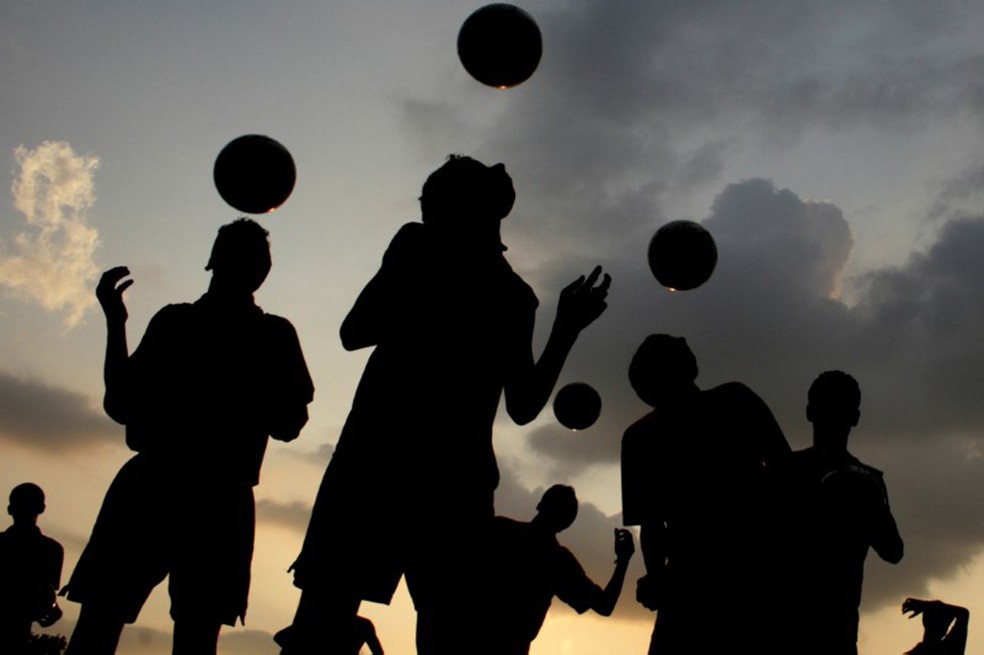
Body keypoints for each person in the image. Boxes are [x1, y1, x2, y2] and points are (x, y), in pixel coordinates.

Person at [279, 155, 610, 655]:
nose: (427, 212)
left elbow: (354, 330)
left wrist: (562, 327)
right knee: (448, 633)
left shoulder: (420, 247)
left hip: (377, 463)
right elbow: (522, 406)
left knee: (324, 624)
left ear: (454, 208)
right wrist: (565, 329)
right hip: (452, 483)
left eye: (432, 203)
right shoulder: (512, 296)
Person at [64, 218, 314, 655]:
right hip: (212, 499)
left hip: (163, 488)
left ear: (212, 262)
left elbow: (120, 404)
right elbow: (290, 424)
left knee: (99, 628)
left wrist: (115, 324)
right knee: (189, 638)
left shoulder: (179, 323)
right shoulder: (271, 335)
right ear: (262, 271)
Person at [620, 334, 790, 654]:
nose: (686, 341)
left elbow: (652, 527)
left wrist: (657, 577)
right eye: (680, 345)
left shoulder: (639, 438)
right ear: (686, 367)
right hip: (753, 577)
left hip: (689, 583)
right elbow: (787, 474)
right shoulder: (736, 400)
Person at [779, 370, 904, 655]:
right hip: (835, 633)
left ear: (809, 412)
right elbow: (893, 550)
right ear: (855, 418)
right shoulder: (867, 481)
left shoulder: (783, 471)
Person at [478, 485, 634, 655]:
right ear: (567, 523)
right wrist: (623, 561)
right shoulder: (558, 561)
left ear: (540, 504)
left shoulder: (500, 529)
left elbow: (604, 606)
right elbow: (604, 605)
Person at [0, 483, 64, 654]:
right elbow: (46, 594)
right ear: (42, 508)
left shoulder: (52, 550)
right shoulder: (52, 549)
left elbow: (45, 594)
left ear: (9, 509)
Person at [902, 598, 968, 655]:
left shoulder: (949, 648)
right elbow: (963, 613)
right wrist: (926, 605)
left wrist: (926, 606)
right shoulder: (951, 649)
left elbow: (963, 613)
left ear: (925, 622)